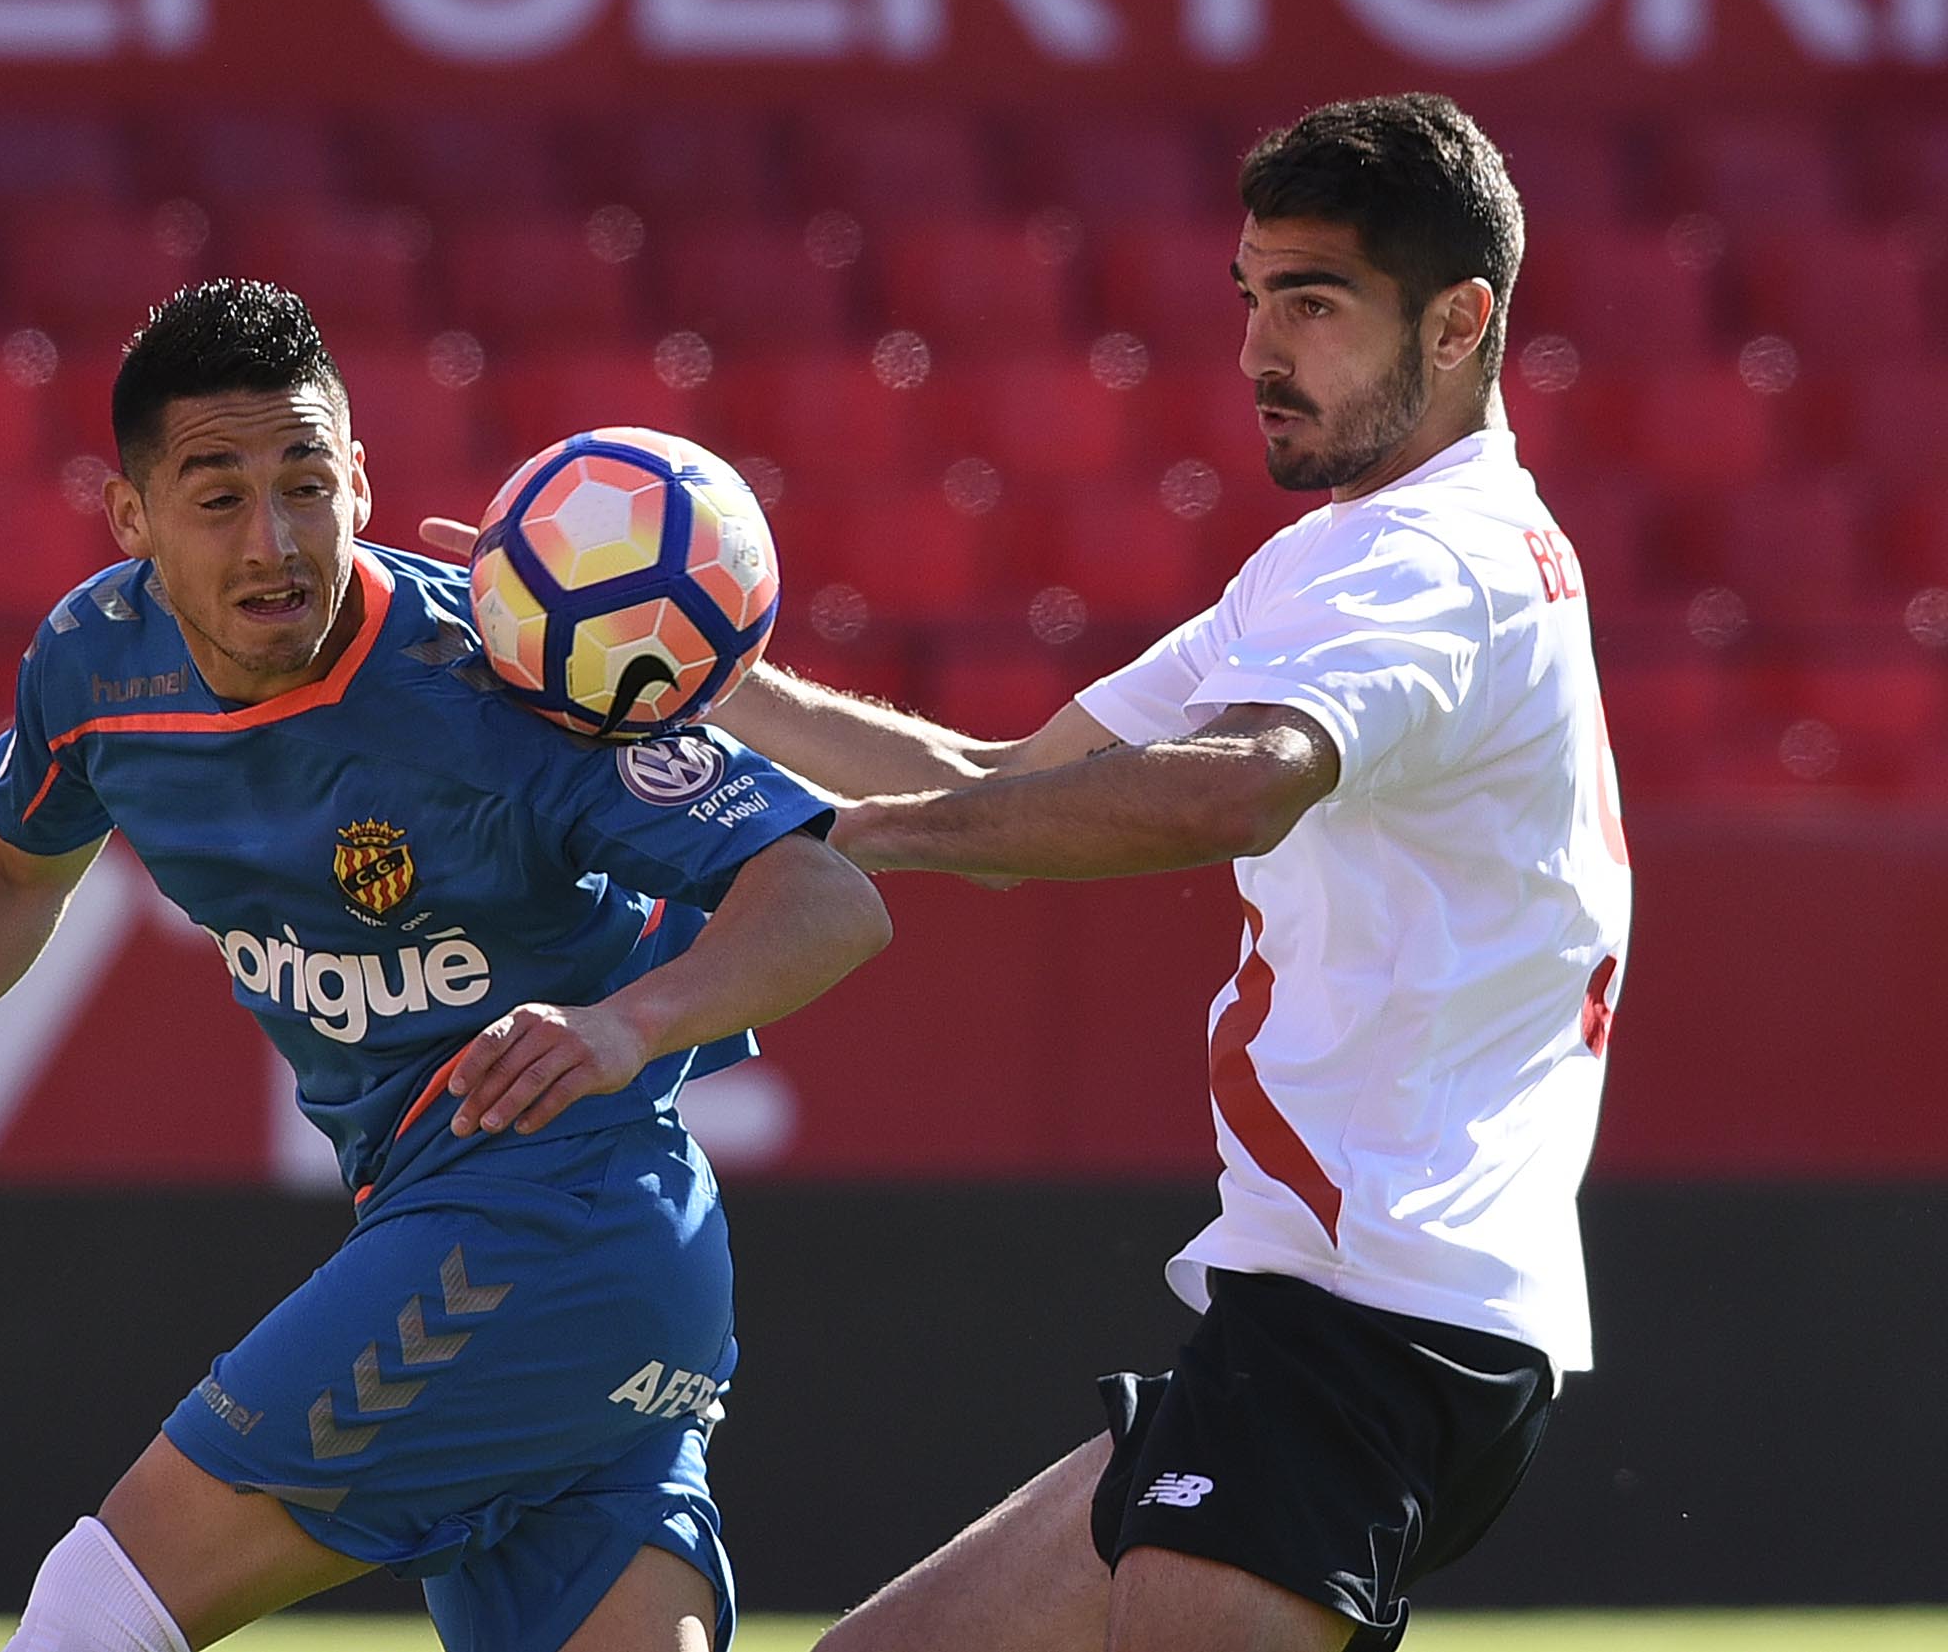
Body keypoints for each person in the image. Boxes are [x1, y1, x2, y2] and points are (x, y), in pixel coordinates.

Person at [435, 91, 1631, 1652]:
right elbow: (1012, 781)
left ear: (1464, 320)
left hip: (1373, 1321)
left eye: (1318, 305)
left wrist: (842, 843)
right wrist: (687, 665)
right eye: (1254, 298)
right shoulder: (1339, 558)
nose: (1264, 349)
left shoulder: (1434, 560)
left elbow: (1244, 785)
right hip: (1331, 1317)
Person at [0, 278, 891, 1652]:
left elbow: (826, 893)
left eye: (307, 486)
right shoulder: (96, 668)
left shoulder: (498, 679)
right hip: (577, 1272)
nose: (275, 541)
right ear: (132, 517)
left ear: (361, 483)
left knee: (96, 1611)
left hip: (546, 1222)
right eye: (218, 497)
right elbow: (10, 866)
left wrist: (637, 1019)